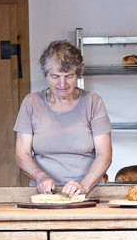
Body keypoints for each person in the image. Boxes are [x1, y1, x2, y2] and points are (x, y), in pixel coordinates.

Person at [14, 40, 112, 197]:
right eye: (55, 76)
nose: (62, 83)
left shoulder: (93, 102)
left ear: (77, 74)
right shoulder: (31, 103)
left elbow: (104, 154)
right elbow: (22, 154)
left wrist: (84, 186)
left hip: (88, 192)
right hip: (44, 194)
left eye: (69, 76)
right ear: (46, 74)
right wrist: (41, 177)